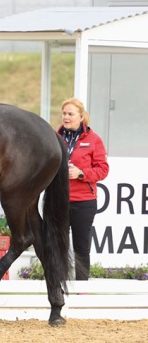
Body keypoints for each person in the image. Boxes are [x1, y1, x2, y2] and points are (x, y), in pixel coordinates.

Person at [57, 98, 109, 280]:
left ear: (81, 116)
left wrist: (81, 174)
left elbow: (103, 169)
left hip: (84, 202)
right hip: (59, 201)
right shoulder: (55, 138)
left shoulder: (94, 140)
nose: (66, 117)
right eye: (64, 113)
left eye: (70, 114)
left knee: (81, 247)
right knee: (59, 246)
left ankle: (81, 288)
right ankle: (58, 287)